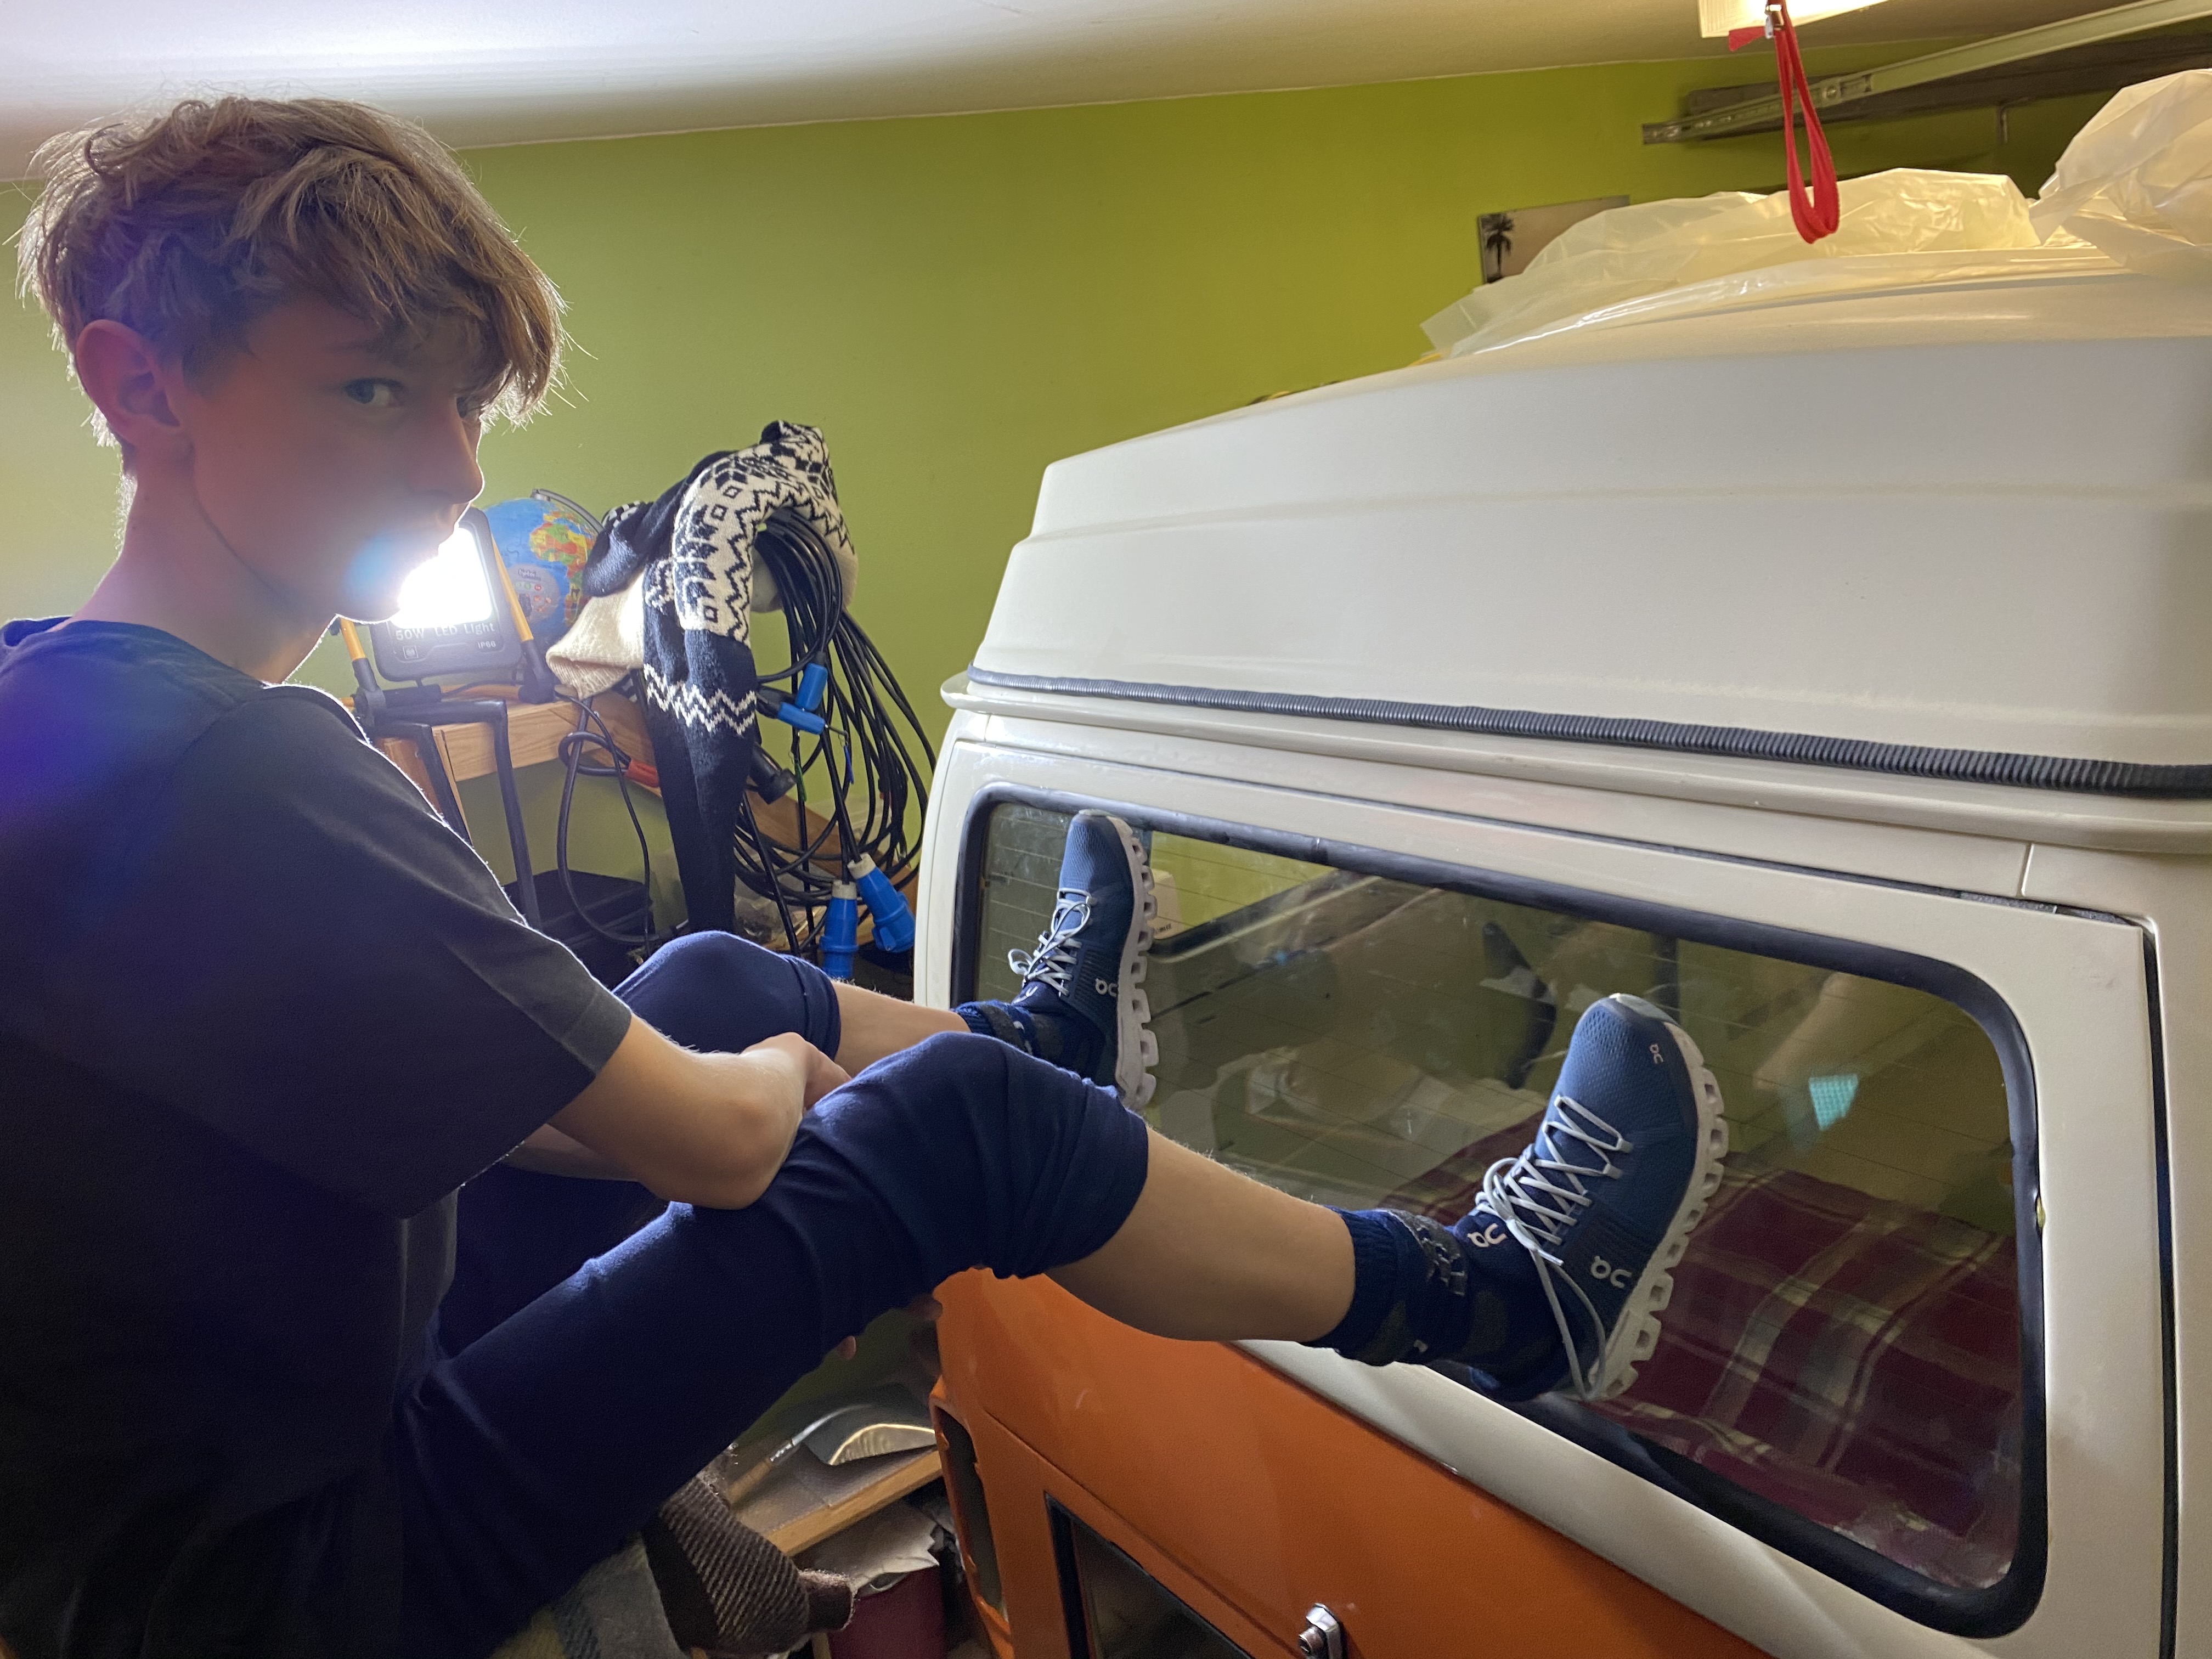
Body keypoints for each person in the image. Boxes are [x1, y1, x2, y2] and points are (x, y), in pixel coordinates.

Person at [0, 97, 1729, 1659]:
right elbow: (721, 1146)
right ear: (142, 386)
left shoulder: (55, 700)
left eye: (462, 401)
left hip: (167, 1522)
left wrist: (732, 1066)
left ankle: (1050, 1050)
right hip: (283, 1591)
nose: (457, 468)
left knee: (699, 984)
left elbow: (403, 1092)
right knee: (942, 1128)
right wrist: (791, 1082)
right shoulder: (233, 761)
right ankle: (1505, 1301)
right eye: (371, 389)